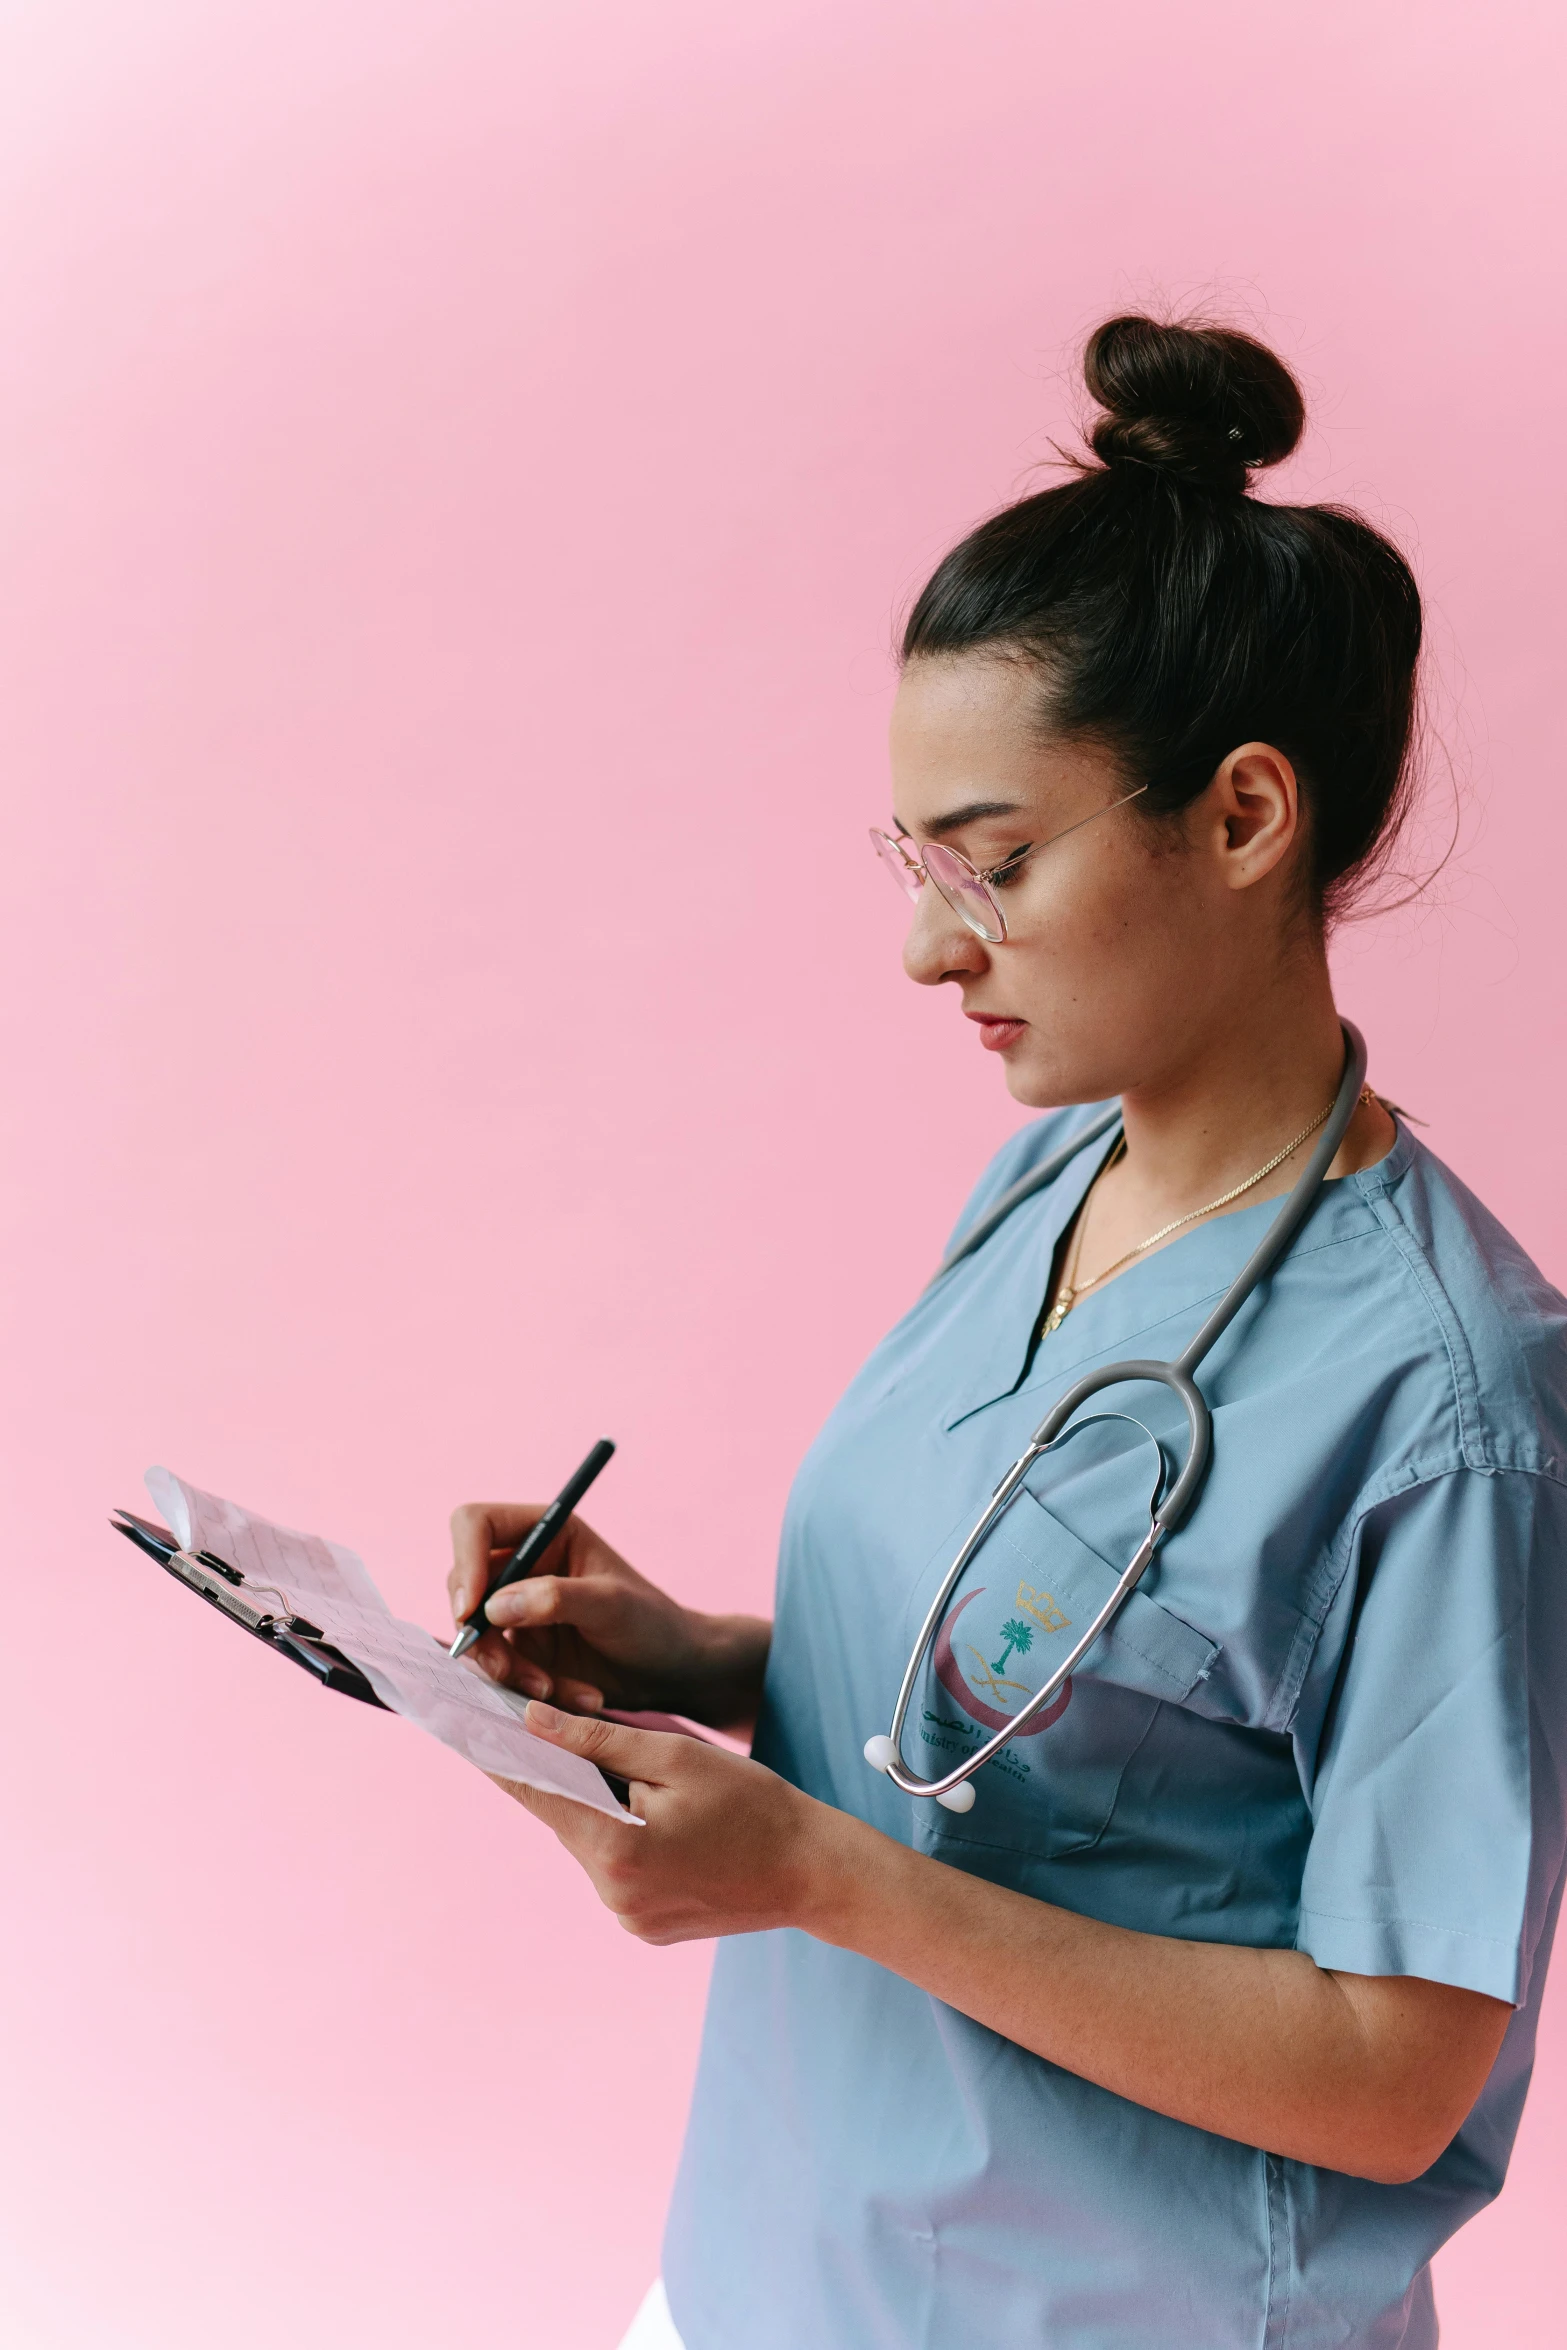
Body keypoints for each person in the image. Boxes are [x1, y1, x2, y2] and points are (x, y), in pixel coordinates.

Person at [446, 316, 1567, 2350]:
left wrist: (819, 1874)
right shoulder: (1052, 1186)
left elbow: (1399, 2070)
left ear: (1240, 817)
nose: (924, 942)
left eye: (994, 862)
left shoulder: (1454, 1406)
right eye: (914, 861)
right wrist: (691, 1654)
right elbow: (1080, 1727)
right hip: (782, 2266)